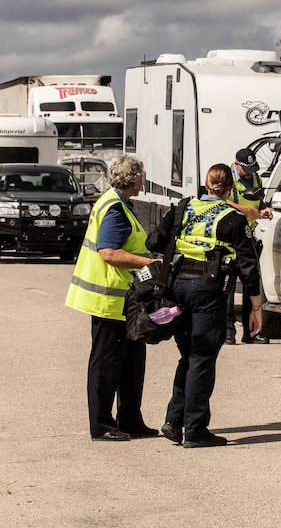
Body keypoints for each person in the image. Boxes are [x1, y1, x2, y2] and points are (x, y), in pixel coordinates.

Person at [147, 163, 262, 448]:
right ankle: (195, 430)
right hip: (207, 293)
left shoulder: (181, 208)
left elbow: (154, 241)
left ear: (205, 184)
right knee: (201, 358)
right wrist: (256, 309)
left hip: (175, 290)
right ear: (230, 189)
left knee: (188, 356)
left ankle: (174, 422)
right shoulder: (234, 219)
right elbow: (249, 267)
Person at [65, 155, 158, 442]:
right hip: (109, 299)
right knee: (106, 364)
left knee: (132, 363)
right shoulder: (116, 208)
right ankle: (102, 424)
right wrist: (147, 262)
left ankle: (130, 419)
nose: (143, 180)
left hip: (125, 302)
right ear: (133, 179)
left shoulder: (117, 203)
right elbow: (109, 253)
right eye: (141, 175)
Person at [224, 148, 272, 345]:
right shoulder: (225, 176)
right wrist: (248, 211)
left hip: (248, 235)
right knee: (228, 284)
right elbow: (221, 201)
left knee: (250, 282)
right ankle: (228, 332)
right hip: (229, 236)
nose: (250, 173)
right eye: (246, 169)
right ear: (237, 165)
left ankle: (251, 331)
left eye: (253, 169)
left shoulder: (255, 178)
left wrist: (264, 209)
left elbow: (258, 201)